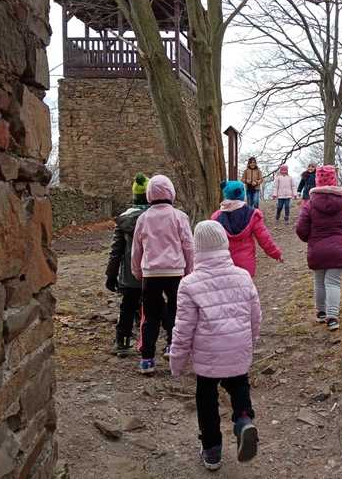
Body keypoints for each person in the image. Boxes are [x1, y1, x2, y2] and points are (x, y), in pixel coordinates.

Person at [169, 220, 262, 471]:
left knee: (206, 398)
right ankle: (244, 420)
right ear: (224, 244)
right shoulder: (243, 276)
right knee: (239, 385)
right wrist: (250, 341)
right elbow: (255, 315)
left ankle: (211, 450)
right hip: (238, 348)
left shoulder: (189, 284)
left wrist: (177, 362)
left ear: (197, 249)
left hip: (208, 356)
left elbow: (183, 329)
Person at [131, 174, 194, 374]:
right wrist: (190, 270)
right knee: (176, 310)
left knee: (149, 316)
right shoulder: (179, 216)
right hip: (175, 272)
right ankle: (172, 345)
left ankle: (147, 358)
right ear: (171, 192)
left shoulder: (143, 218)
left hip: (151, 273)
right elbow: (188, 245)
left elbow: (136, 248)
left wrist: (137, 270)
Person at [296, 165, 342, 331]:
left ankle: (321, 313)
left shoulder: (310, 204)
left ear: (317, 181)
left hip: (317, 250)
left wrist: (308, 239)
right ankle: (332, 317)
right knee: (333, 283)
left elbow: (300, 228)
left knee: (319, 282)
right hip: (339, 250)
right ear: (334, 180)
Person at [105, 173, 150, 356]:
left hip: (130, 274)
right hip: (152, 272)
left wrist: (111, 274)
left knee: (127, 306)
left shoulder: (124, 219)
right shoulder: (155, 218)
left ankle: (122, 341)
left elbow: (116, 250)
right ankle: (151, 341)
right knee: (154, 306)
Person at [212, 180, 283, 276]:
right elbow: (264, 238)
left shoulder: (216, 217)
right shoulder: (252, 214)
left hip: (225, 263)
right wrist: (276, 253)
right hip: (246, 264)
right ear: (242, 193)